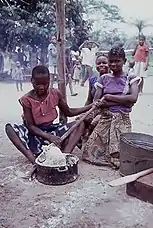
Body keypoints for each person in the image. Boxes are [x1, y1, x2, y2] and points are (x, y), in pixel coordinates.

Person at [5, 66, 93, 165]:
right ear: (32, 81)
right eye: (37, 84)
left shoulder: (55, 93)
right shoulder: (26, 99)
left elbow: (69, 112)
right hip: (35, 135)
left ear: (49, 81)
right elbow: (31, 126)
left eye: (45, 84)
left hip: (52, 130)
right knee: (10, 128)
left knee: (80, 124)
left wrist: (90, 106)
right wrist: (49, 137)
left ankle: (64, 155)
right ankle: (34, 161)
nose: (41, 87)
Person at [82, 47, 141, 168]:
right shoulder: (103, 79)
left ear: (124, 61)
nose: (113, 64)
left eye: (117, 61)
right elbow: (97, 102)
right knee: (88, 153)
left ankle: (116, 156)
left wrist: (109, 97)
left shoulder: (130, 77)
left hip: (122, 119)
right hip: (106, 117)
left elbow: (133, 98)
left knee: (121, 152)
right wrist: (123, 101)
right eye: (111, 61)